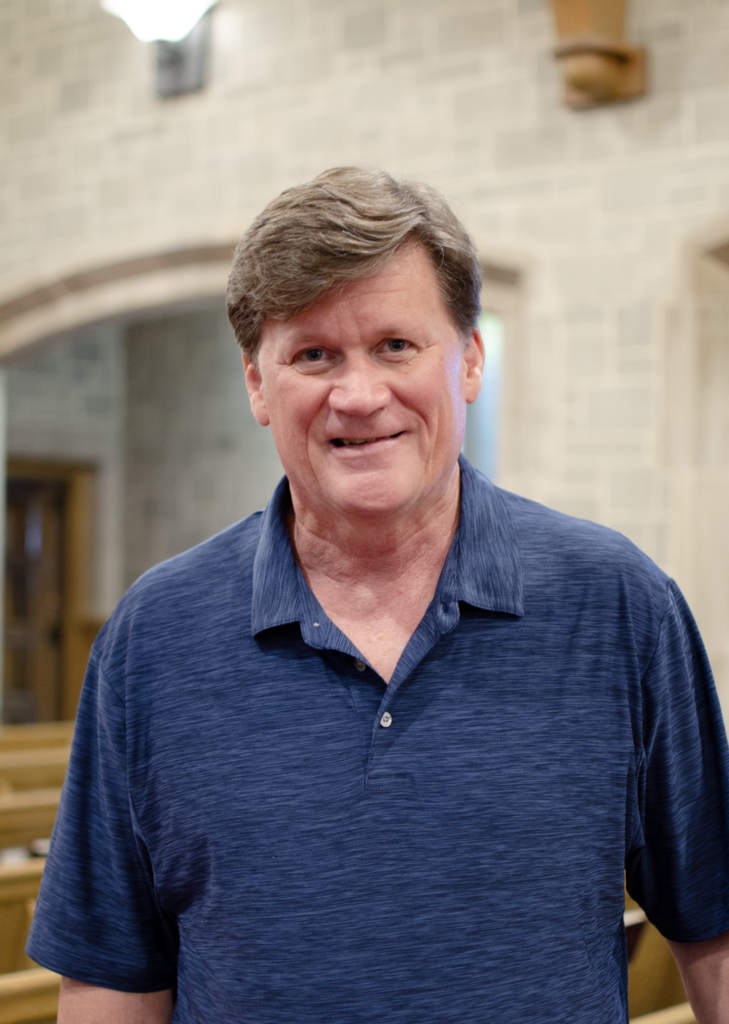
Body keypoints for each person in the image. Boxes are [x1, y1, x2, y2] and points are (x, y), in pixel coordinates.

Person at [28, 168, 729, 1024]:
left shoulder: (618, 605)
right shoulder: (155, 635)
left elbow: (713, 931)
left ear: (466, 360)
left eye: (396, 345)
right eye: (313, 354)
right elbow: (110, 974)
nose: (359, 397)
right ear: (257, 382)